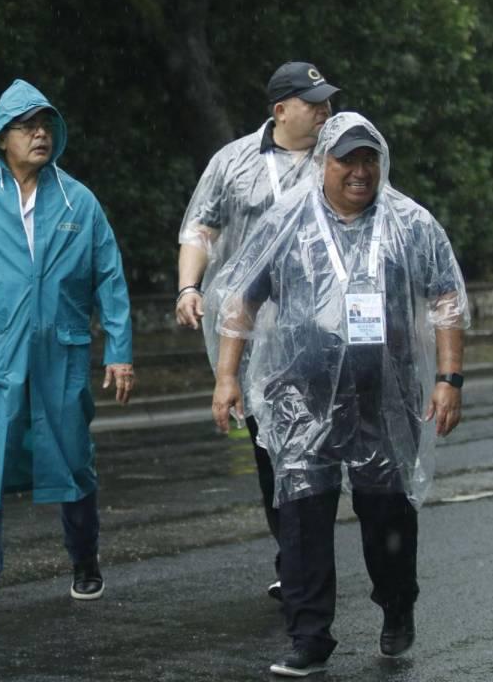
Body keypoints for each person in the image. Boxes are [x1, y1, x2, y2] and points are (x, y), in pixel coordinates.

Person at [206, 111, 468, 677]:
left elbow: (447, 300)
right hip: (299, 397)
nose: (359, 170)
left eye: (368, 158)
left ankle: (397, 608)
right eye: (346, 158)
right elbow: (239, 303)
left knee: (386, 518)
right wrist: (228, 377)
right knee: (302, 514)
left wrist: (449, 378)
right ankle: (308, 636)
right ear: (323, 162)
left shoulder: (411, 224)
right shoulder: (286, 221)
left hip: (383, 398)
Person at [0, 79, 134, 617]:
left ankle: (85, 560)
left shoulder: (77, 202)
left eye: (46, 125)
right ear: (1, 138)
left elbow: (110, 278)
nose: (39, 134)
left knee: (72, 460)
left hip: (60, 354)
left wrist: (119, 351)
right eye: (26, 125)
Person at [176, 61, 340, 601]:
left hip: (319, 326)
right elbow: (201, 225)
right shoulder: (234, 162)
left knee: (315, 443)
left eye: (326, 101)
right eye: (313, 102)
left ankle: (304, 560)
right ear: (280, 110)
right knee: (269, 446)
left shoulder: (340, 154)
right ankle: (292, 556)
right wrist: (189, 287)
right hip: (246, 330)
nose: (324, 111)